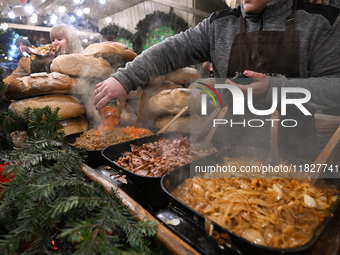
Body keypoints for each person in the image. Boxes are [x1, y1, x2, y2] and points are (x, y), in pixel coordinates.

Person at [94, 0, 340, 161]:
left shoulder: (321, 22)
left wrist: (276, 88)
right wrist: (125, 78)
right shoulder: (219, 25)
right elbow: (169, 51)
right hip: (226, 148)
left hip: (293, 154)